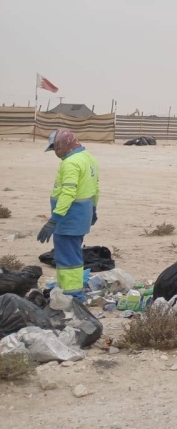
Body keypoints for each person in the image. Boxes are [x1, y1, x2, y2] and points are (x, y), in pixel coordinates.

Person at [36, 129, 100, 302]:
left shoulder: (70, 163)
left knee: (67, 259)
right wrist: (93, 209)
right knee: (74, 255)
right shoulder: (88, 158)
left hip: (69, 218)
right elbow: (95, 187)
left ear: (62, 145)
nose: (55, 153)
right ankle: (71, 290)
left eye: (55, 148)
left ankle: (73, 296)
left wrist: (53, 220)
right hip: (82, 216)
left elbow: (68, 193)